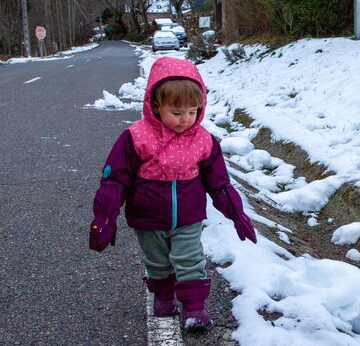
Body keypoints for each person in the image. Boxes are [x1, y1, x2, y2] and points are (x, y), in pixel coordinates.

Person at [89, 56, 257, 329]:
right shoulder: (136, 137)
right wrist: (104, 217)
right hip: (148, 217)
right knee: (157, 261)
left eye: (192, 112)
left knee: (190, 259)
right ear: (156, 105)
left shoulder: (203, 140)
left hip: (188, 217)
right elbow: (115, 180)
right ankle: (164, 296)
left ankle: (194, 308)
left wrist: (237, 213)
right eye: (177, 113)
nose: (185, 120)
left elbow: (219, 182)